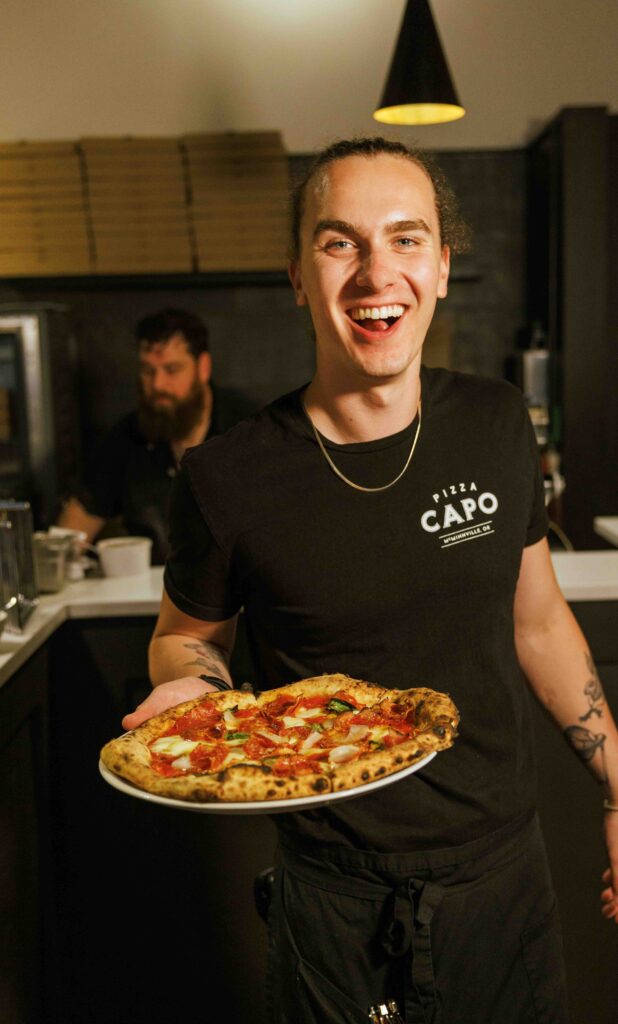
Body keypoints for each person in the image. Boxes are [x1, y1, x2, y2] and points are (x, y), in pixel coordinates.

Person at [123, 139, 618, 1022]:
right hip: (335, 903)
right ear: (299, 275)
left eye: (406, 238)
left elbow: (538, 623)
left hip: (506, 880)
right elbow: (185, 635)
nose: (375, 271)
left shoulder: (498, 422)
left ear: (441, 266)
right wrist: (198, 693)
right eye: (340, 242)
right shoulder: (225, 475)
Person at [58, 308, 254, 564]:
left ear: (203, 367)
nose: (158, 385)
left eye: (172, 369)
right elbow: (73, 530)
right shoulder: (127, 437)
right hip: (151, 595)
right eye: (148, 371)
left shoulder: (250, 430)